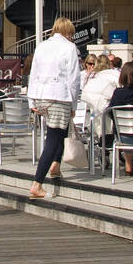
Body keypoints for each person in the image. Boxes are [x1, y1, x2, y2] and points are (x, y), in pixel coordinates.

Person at [26, 16, 82, 200]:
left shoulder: (42, 46)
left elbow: (33, 73)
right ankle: (37, 183)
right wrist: (74, 103)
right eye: (71, 34)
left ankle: (55, 165)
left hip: (41, 95)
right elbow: (74, 78)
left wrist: (31, 100)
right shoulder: (69, 48)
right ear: (68, 33)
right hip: (59, 95)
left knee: (58, 132)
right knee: (53, 138)